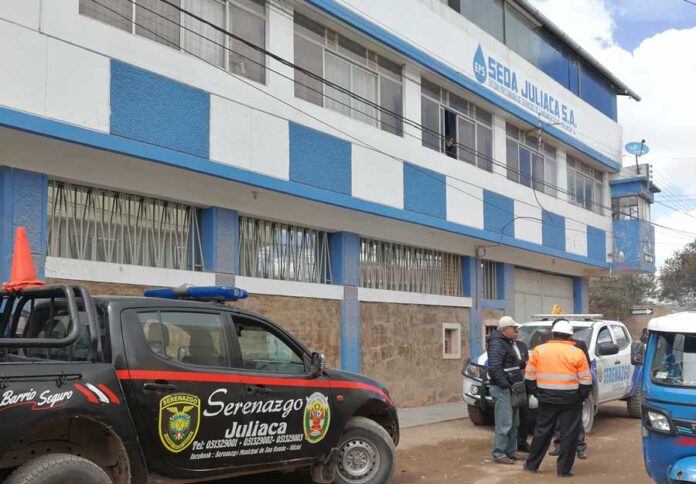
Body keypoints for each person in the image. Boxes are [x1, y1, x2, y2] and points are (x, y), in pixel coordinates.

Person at [523, 320, 592, 477]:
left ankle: (531, 465)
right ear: (570, 336)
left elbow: (529, 376)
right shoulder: (577, 352)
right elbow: (586, 381)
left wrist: (537, 393)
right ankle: (564, 471)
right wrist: (579, 397)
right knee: (569, 435)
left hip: (546, 399)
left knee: (541, 432)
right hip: (570, 400)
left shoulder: (539, 350)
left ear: (553, 334)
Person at [548, 318, 592, 460]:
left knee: (576, 422)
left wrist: (582, 392)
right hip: (555, 390)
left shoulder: (579, 345)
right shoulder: (549, 346)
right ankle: (559, 446)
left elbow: (586, 367)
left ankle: (580, 448)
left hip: (573, 390)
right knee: (558, 422)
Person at [487, 316, 525, 465]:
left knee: (514, 423)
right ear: (505, 329)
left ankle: (511, 451)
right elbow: (495, 368)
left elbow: (510, 363)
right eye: (514, 328)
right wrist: (505, 385)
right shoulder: (497, 343)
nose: (516, 331)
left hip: (511, 388)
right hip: (503, 389)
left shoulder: (506, 342)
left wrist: (522, 363)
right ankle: (499, 453)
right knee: (504, 423)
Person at [515, 338, 532, 453]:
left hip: (523, 386)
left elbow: (526, 363)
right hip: (509, 385)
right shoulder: (502, 345)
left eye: (517, 330)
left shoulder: (522, 345)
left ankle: (521, 442)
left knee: (524, 415)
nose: (516, 332)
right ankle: (510, 444)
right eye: (514, 329)